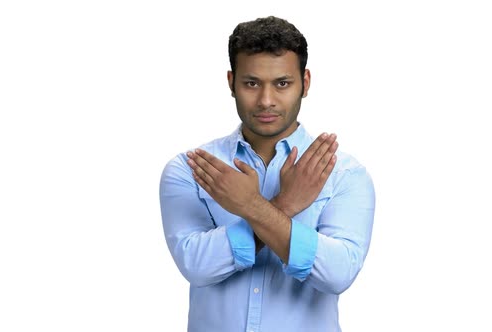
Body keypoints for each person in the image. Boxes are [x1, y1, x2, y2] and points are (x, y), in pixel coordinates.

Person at [159, 15, 375, 332]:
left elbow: (337, 274)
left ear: (306, 82)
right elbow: (197, 265)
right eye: (252, 83)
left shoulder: (344, 173)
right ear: (231, 82)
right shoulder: (192, 168)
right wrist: (286, 203)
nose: (266, 101)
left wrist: (250, 206)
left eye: (282, 83)